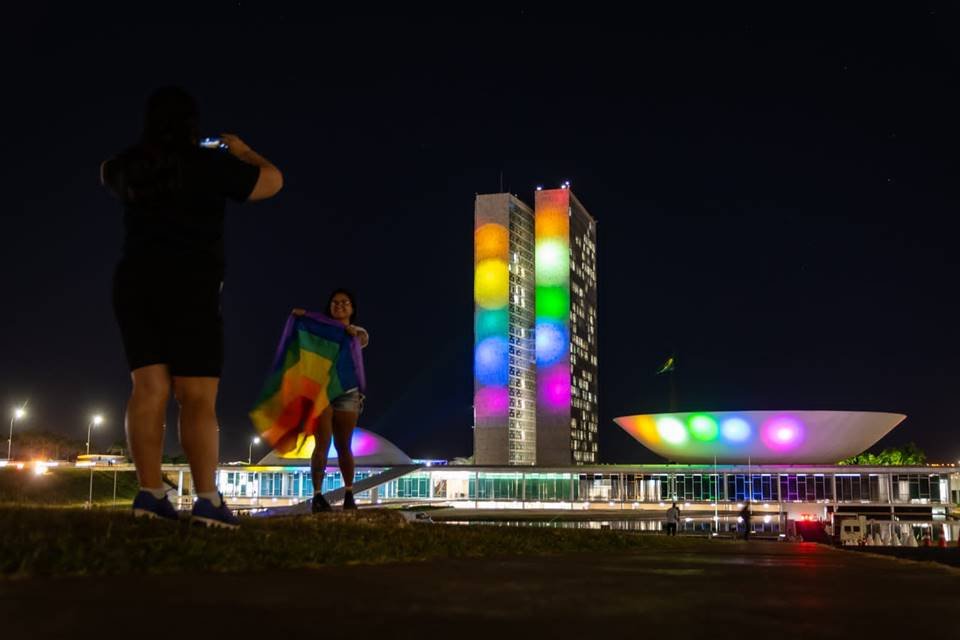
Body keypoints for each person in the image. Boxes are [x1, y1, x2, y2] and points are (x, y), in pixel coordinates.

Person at [102, 87, 283, 528]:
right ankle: (206, 500)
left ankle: (149, 495)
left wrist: (145, 154)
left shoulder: (133, 165)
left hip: (135, 283)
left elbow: (105, 170)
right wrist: (243, 151)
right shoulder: (211, 164)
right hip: (192, 286)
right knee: (197, 397)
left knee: (147, 390)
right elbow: (273, 181)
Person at [292, 289, 369, 512]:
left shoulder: (357, 332)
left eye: (345, 303)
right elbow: (305, 333)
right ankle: (317, 495)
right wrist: (303, 317)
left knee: (343, 445)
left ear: (353, 308)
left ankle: (348, 494)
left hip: (347, 391)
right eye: (335, 302)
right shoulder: (320, 329)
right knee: (321, 444)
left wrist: (351, 332)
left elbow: (361, 338)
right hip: (321, 392)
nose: (340, 306)